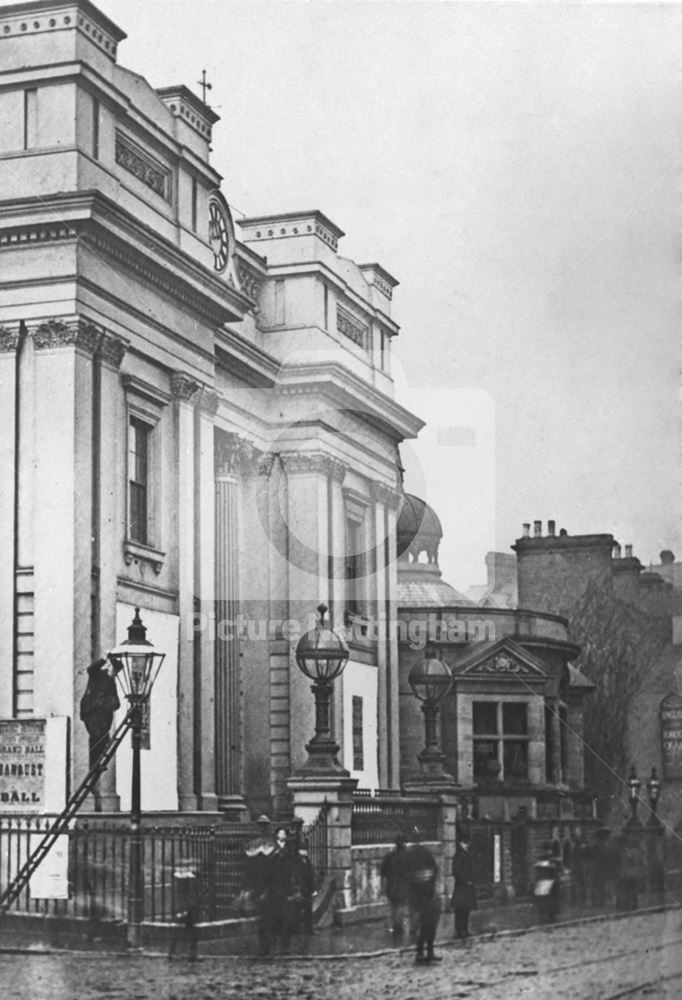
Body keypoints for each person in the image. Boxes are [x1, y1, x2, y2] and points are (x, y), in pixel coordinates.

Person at [406, 829, 442, 965]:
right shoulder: (424, 853)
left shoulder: (412, 854)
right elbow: (433, 870)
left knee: (426, 925)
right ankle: (425, 951)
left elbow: (408, 875)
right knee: (428, 925)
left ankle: (424, 952)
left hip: (419, 895)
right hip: (425, 895)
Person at [380, 834, 410, 938]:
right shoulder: (407, 856)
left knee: (393, 907)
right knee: (400, 907)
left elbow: (383, 870)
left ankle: (393, 926)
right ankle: (398, 928)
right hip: (403, 886)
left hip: (391, 886)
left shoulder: (390, 855)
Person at [451, 835, 477, 940]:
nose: (467, 845)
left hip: (467, 886)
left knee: (466, 909)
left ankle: (465, 929)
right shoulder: (458, 855)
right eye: (465, 843)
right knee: (460, 910)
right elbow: (456, 871)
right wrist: (465, 880)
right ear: (461, 843)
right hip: (462, 886)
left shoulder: (465, 854)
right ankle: (459, 930)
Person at [293, 841, 315, 935]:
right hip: (300, 888)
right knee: (298, 910)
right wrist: (301, 888)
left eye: (305, 850)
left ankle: (309, 929)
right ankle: (297, 929)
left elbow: (311, 875)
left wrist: (313, 889)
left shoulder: (307, 860)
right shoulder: (296, 861)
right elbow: (297, 875)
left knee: (308, 910)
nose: (304, 852)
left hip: (307, 888)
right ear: (299, 851)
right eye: (302, 850)